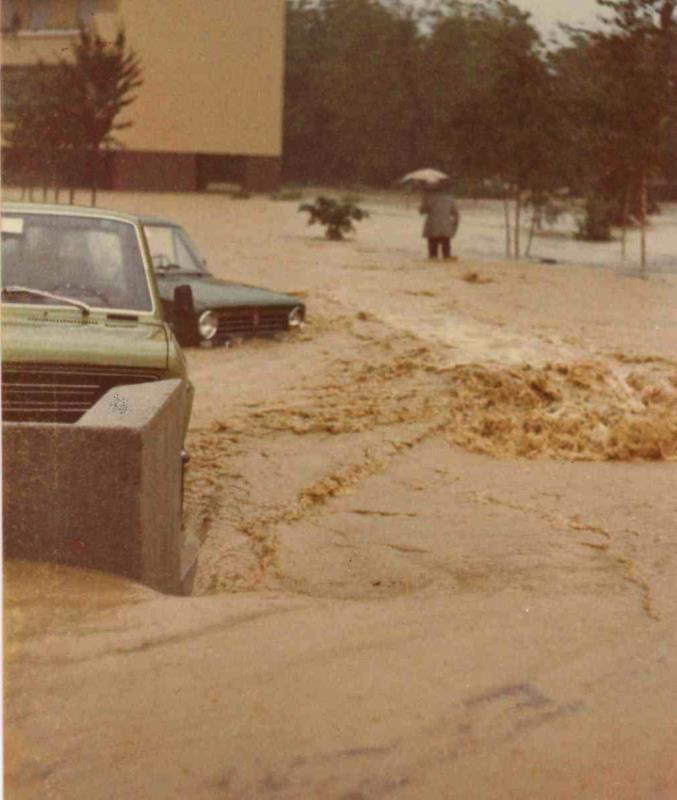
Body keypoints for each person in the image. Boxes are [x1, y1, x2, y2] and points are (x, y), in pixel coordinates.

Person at [419, 180, 460, 260]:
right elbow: (456, 213)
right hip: (446, 227)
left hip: (432, 227)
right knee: (446, 255)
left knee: (433, 256)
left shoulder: (429, 198)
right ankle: (447, 257)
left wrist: (423, 199)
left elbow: (422, 211)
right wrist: (454, 226)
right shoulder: (450, 199)